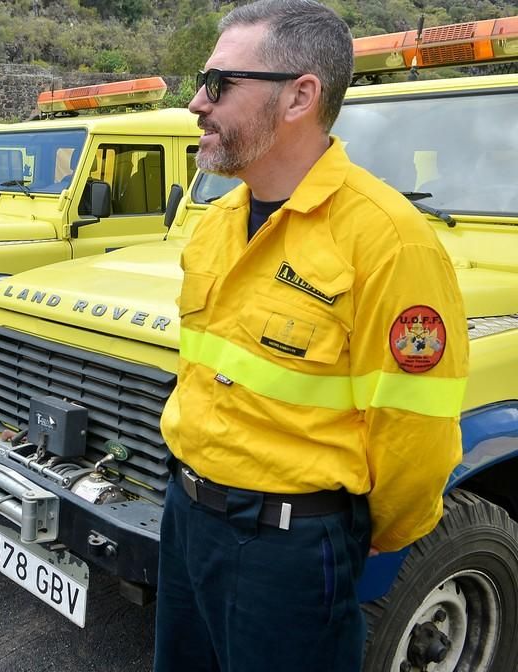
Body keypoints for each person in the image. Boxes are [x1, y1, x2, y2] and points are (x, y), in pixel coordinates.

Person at [155, 1, 467, 670]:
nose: (194, 104)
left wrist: (366, 531)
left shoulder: (388, 241)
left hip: (290, 549)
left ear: (299, 96)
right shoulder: (216, 223)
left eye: (217, 84)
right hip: (185, 519)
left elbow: (415, 434)